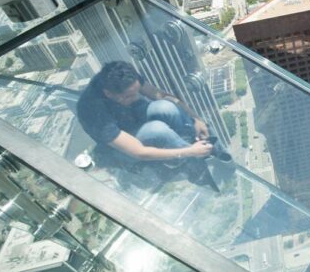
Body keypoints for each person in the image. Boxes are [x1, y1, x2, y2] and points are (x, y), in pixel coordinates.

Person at [76, 61, 230, 188]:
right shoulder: (92, 110)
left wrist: (196, 118)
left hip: (133, 118)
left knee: (165, 107)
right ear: (109, 94)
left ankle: (203, 146)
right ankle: (194, 167)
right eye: (129, 96)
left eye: (137, 91)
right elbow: (138, 152)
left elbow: (160, 95)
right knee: (157, 130)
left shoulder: (122, 76)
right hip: (122, 148)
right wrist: (190, 152)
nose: (137, 97)